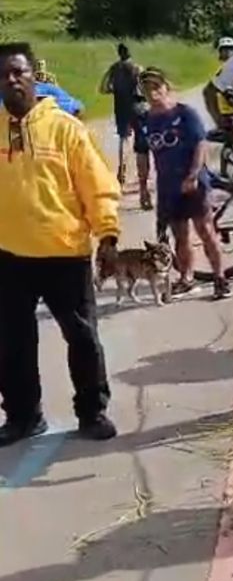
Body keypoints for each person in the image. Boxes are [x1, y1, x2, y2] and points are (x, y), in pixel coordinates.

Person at [0, 42, 121, 446]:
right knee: (12, 342)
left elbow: (97, 185)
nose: (12, 80)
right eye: (4, 75)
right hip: (9, 256)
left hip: (64, 253)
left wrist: (107, 234)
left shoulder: (66, 129)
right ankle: (22, 416)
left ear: (36, 76)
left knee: (82, 337)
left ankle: (92, 412)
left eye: (19, 72)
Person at [140, 67, 231, 300]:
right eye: (147, 89)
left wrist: (192, 175)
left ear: (166, 88)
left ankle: (220, 277)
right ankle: (186, 278)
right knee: (180, 235)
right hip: (168, 185)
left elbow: (201, 146)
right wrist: (143, 186)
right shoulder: (147, 121)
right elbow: (142, 154)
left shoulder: (185, 114)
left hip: (193, 183)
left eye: (156, 87)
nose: (152, 93)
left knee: (206, 230)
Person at [98, 42, 142, 185]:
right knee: (141, 141)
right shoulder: (137, 68)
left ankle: (122, 169)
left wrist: (114, 90)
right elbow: (143, 88)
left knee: (124, 139)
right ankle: (142, 174)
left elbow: (103, 88)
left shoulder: (114, 68)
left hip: (120, 106)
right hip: (136, 106)